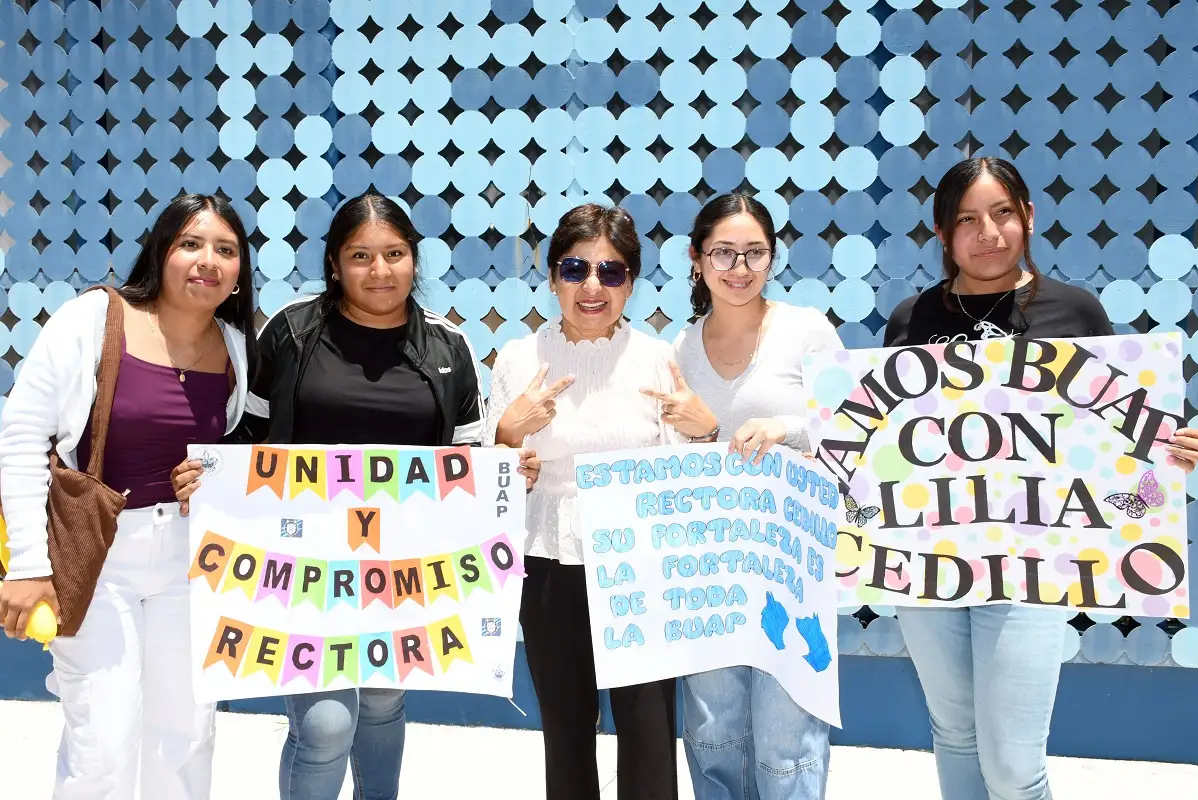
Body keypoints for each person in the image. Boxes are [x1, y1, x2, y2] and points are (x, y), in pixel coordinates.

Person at [172, 191, 515, 800]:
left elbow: (470, 462)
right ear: (334, 263)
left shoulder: (448, 348)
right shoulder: (290, 331)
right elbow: (248, 435)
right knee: (327, 724)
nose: (379, 271)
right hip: (303, 566)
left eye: (394, 254)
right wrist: (207, 475)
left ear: (415, 259)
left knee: (383, 701)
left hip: (405, 571)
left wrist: (510, 472)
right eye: (361, 256)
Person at [882, 156, 1198, 800]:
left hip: (1033, 565)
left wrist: (1177, 441)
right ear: (943, 235)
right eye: (967, 219)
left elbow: (1115, 429)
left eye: (1002, 213)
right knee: (955, 735)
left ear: (1028, 216)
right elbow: (883, 441)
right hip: (928, 562)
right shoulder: (909, 321)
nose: (988, 232)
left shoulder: (1076, 312)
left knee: (1013, 767)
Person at [0, 193, 255, 799]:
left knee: (186, 737)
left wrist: (214, 481)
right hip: (98, 555)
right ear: (161, 250)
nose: (207, 260)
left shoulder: (240, 348)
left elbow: (241, 452)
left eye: (225, 249)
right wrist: (30, 567)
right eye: (190, 244)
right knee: (103, 745)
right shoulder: (92, 318)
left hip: (193, 562)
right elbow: (21, 437)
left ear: (241, 270)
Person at [484, 204, 714, 800]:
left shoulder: (659, 359)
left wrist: (704, 432)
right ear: (553, 277)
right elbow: (488, 482)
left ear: (632, 282)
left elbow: (687, 477)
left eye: (611, 273)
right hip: (547, 564)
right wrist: (508, 438)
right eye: (575, 269)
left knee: (649, 729)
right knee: (564, 729)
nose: (592, 287)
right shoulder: (516, 360)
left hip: (641, 568)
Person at [644, 192, 844, 800]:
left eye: (754, 253)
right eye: (723, 253)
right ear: (696, 259)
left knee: (789, 738)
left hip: (791, 567)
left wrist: (785, 429)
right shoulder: (675, 351)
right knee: (713, 733)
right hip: (708, 568)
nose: (739, 268)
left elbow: (854, 422)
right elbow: (662, 454)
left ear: (772, 257)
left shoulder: (806, 329)